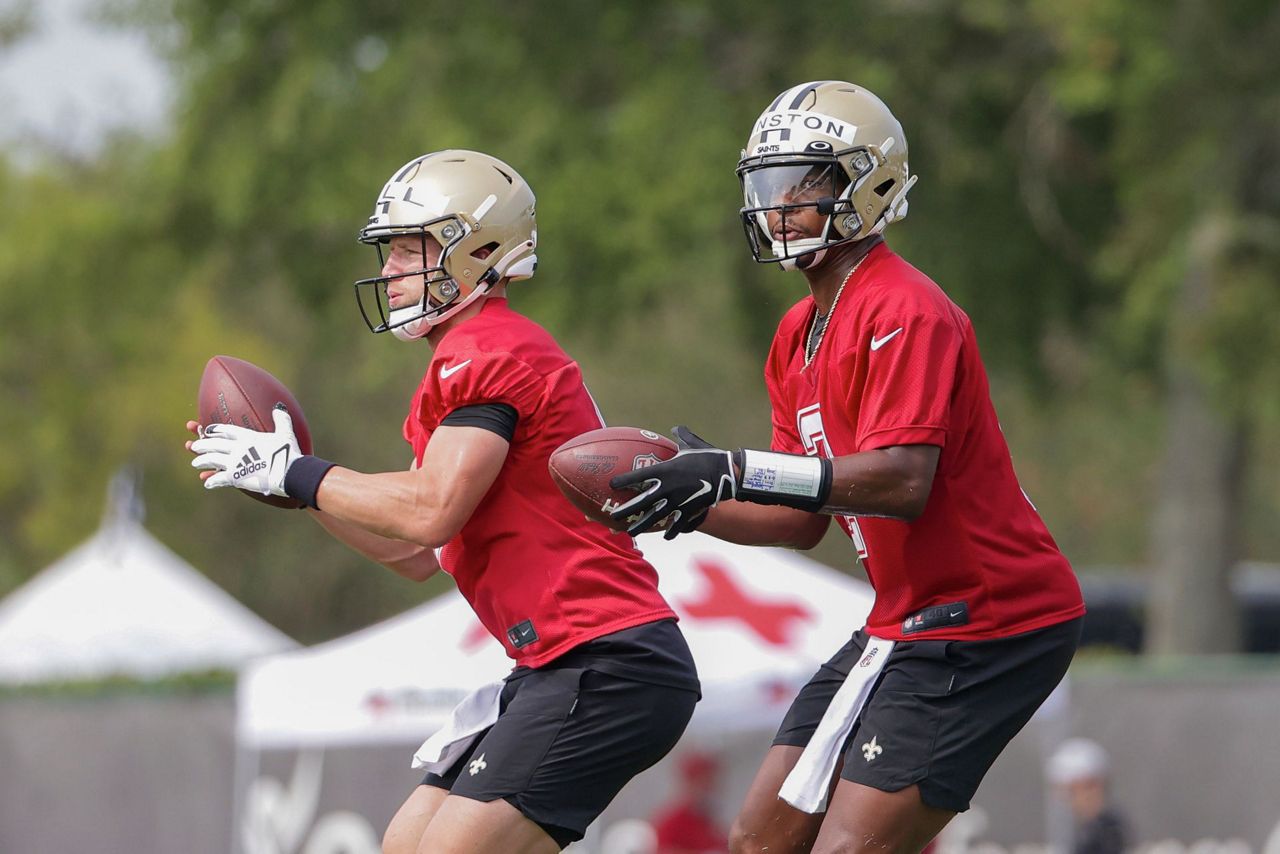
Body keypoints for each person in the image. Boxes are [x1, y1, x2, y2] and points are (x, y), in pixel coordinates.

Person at [609, 81, 1086, 854]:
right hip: (902, 615)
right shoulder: (797, 330)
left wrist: (734, 467)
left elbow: (902, 482)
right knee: (759, 840)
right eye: (771, 186)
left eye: (806, 184)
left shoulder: (905, 307)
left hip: (992, 617)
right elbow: (801, 520)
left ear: (871, 185)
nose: (779, 206)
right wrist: (694, 503)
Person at [186, 149, 700, 854]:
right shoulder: (463, 360)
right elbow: (415, 550)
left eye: (409, 249)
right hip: (562, 662)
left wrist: (300, 472)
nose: (392, 270)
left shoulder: (489, 349)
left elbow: (430, 511)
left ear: (480, 250)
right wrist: (289, 488)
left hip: (608, 659)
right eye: (391, 252)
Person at [1047, 738, 1129, 854]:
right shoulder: (1090, 831)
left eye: (1072, 790)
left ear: (1093, 785)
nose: (1067, 799)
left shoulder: (1106, 834)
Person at [650, 752, 728, 854]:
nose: (710, 787)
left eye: (712, 780)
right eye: (703, 781)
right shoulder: (671, 821)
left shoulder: (709, 822)